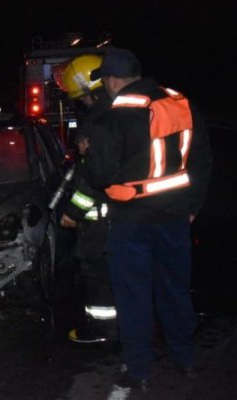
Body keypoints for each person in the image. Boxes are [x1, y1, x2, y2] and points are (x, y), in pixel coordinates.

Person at [83, 48, 213, 393]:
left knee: (133, 296)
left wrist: (88, 154)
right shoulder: (181, 103)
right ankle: (185, 360)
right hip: (174, 218)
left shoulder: (115, 117)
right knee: (174, 289)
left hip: (131, 223)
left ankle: (139, 369)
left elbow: (100, 174)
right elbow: (202, 161)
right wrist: (191, 208)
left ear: (112, 81)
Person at [56, 54, 117, 344]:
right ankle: (125, 328)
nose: (79, 103)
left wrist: (73, 212)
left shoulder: (98, 122)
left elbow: (92, 177)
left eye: (80, 98)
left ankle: (103, 330)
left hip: (99, 219)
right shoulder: (120, 113)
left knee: (97, 273)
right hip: (122, 215)